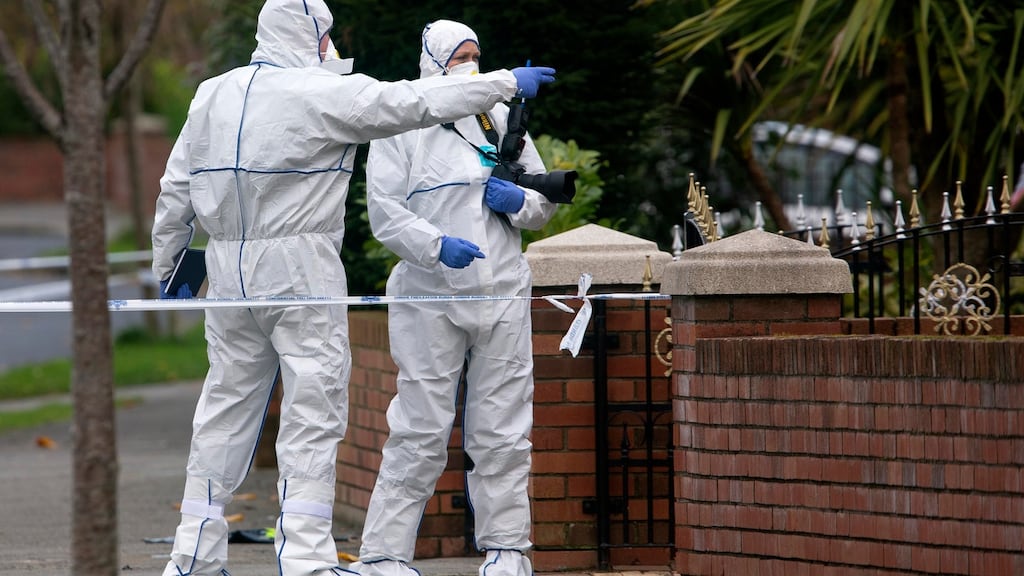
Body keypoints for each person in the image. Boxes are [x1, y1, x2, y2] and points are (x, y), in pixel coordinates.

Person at [150, 1, 556, 574]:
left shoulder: (212, 93)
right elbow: (414, 101)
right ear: (312, 36)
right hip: (299, 265)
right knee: (313, 413)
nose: (331, 48)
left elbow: (175, 188)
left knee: (222, 413)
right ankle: (308, 561)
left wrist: (168, 268)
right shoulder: (320, 92)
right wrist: (505, 81)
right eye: (328, 37)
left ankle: (191, 557)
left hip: (228, 271)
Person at [351, 20, 558, 576]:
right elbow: (385, 216)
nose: (471, 65)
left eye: (476, 55)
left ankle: (508, 551)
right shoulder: (401, 127)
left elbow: (542, 203)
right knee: (419, 427)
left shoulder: (499, 119)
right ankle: (384, 556)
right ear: (433, 63)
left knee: (504, 430)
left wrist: (518, 201)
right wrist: (436, 246)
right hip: (429, 296)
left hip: (503, 289)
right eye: (459, 57)